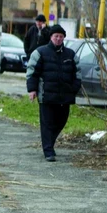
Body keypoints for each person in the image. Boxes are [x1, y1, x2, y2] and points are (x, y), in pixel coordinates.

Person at [26, 24, 81, 162]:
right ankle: (48, 151)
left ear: (63, 38)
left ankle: (49, 142)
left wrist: (74, 89)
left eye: (61, 37)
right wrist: (32, 90)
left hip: (65, 96)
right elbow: (32, 72)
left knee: (61, 121)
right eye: (56, 36)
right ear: (51, 37)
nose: (58, 39)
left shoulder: (70, 54)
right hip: (46, 96)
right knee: (47, 123)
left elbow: (78, 74)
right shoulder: (40, 52)